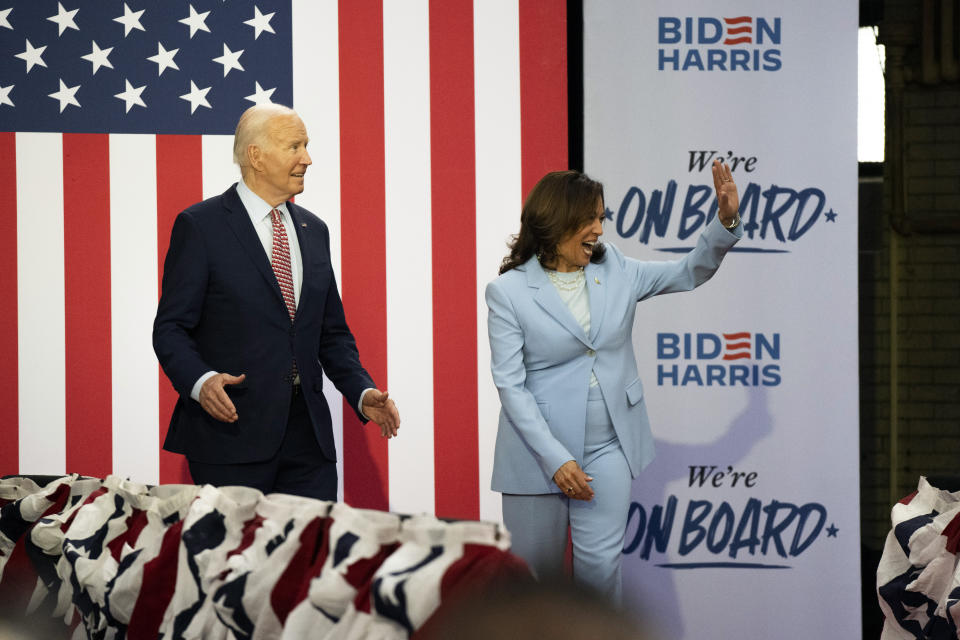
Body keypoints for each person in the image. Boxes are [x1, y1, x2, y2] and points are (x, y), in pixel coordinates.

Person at [485, 159, 741, 603]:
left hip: (609, 448)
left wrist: (725, 221)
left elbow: (688, 271)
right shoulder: (507, 292)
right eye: (588, 219)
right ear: (555, 222)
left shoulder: (617, 268)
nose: (599, 230)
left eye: (601, 218)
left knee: (600, 582)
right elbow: (510, 385)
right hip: (535, 458)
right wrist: (556, 460)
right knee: (533, 590)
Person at [153, 103, 399, 500]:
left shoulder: (313, 231)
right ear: (256, 156)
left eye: (306, 146)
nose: (307, 158)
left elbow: (330, 334)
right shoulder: (201, 226)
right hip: (230, 437)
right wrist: (201, 382)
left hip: (308, 441)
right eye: (294, 146)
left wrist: (362, 391)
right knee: (236, 561)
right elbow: (170, 329)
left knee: (310, 558)